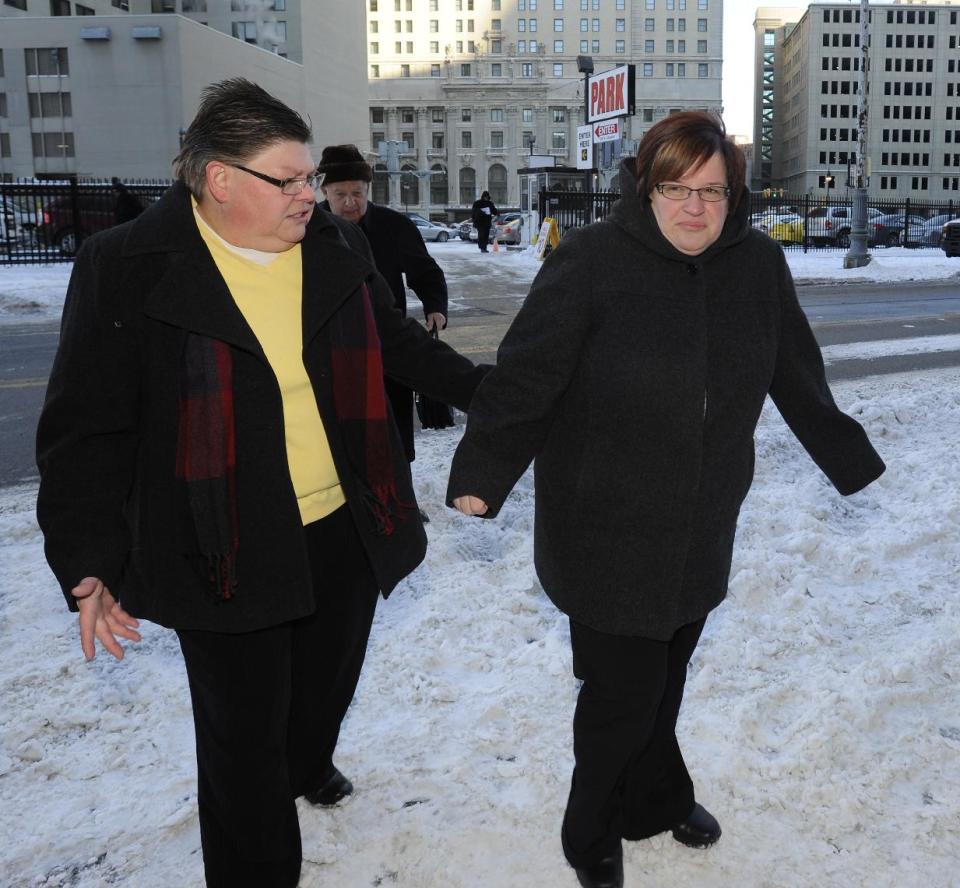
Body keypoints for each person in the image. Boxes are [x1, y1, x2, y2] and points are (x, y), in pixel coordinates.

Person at [36, 78, 487, 888]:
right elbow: (85, 429)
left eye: (312, 178)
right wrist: (86, 556)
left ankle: (306, 762)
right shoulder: (126, 267)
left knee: (317, 698)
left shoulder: (331, 248)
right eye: (292, 180)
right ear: (220, 181)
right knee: (242, 751)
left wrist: (506, 401)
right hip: (218, 544)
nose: (311, 195)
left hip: (345, 525)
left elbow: (401, 347)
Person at [446, 111, 885, 888]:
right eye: (675, 187)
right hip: (603, 525)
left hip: (701, 520)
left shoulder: (755, 267)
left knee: (667, 673)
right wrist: (483, 472)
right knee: (622, 694)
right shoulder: (591, 261)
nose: (694, 207)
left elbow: (796, 368)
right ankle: (590, 832)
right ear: (645, 188)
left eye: (712, 191)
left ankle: (655, 798)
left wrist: (846, 457)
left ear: (736, 195)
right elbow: (526, 375)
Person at [317, 144, 448, 468]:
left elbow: (426, 271)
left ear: (367, 189)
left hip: (386, 346)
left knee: (393, 430)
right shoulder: (308, 228)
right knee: (338, 434)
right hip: (328, 349)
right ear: (324, 191)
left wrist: (435, 307)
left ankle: (399, 498)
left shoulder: (394, 226)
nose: (350, 203)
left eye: (357, 193)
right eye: (340, 194)